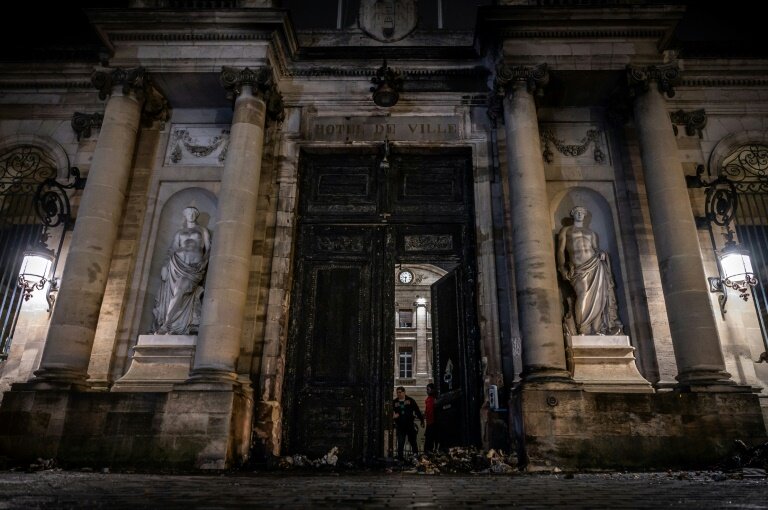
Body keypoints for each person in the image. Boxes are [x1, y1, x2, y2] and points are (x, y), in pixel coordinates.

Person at [557, 206, 623, 336]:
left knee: (598, 297)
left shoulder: (591, 233)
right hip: (578, 267)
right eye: (577, 212)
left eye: (582, 212)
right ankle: (583, 328)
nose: (580, 214)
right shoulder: (566, 230)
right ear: (573, 214)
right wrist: (561, 267)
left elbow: (595, 248)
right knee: (583, 295)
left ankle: (597, 329)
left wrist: (601, 253)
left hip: (595, 264)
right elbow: (560, 250)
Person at [152, 206, 212, 335]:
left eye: (193, 213)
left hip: (193, 267)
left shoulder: (202, 230)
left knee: (180, 290)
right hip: (176, 264)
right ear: (184, 215)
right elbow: (172, 249)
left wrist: (205, 261)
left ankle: (166, 324)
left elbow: (208, 249)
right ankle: (171, 324)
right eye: (188, 213)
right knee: (175, 294)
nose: (190, 215)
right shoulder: (180, 233)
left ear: (196, 215)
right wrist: (165, 266)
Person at [392, 386, 424, 461]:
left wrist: (421, 420)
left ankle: (415, 456)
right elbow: (390, 412)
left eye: (400, 392)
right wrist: (393, 416)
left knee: (413, 441)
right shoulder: (395, 402)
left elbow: (417, 410)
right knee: (400, 442)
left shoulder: (410, 400)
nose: (398, 394)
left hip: (409, 425)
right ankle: (400, 458)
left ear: (404, 392)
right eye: (397, 392)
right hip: (400, 426)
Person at [423, 383, 438, 453]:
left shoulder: (430, 399)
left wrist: (425, 415)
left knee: (429, 440)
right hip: (432, 422)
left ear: (432, 390)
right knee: (431, 440)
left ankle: (428, 453)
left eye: (428, 389)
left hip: (431, 422)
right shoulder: (433, 398)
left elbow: (429, 411)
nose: (427, 391)